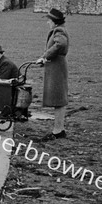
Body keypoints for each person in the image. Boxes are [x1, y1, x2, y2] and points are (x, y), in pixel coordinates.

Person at [36, 8, 69, 141]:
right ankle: (59, 129)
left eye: (49, 20)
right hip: (55, 66)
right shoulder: (58, 29)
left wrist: (45, 56)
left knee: (59, 100)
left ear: (54, 21)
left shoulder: (59, 30)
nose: (47, 23)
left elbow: (61, 44)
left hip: (57, 67)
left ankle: (58, 130)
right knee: (58, 99)